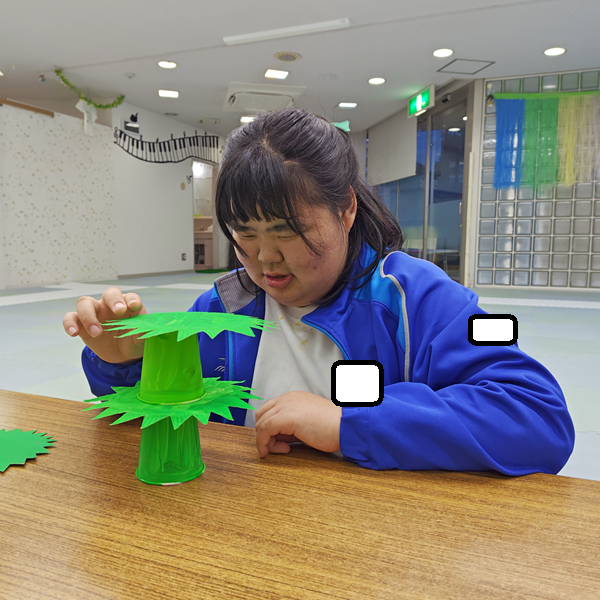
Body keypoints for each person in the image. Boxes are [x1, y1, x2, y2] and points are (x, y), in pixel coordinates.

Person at [63, 107, 575, 475]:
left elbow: (537, 416)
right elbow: (162, 422)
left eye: (286, 231)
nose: (265, 259)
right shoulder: (222, 306)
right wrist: (125, 363)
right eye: (244, 234)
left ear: (346, 209)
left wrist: (349, 422)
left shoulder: (420, 297)